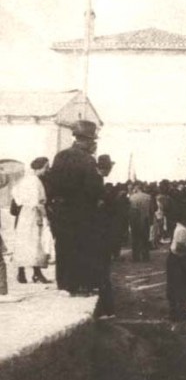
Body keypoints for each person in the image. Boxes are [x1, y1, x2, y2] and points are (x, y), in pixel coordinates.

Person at [48, 120, 104, 295]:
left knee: (63, 246)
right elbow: (94, 189)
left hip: (61, 211)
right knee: (82, 247)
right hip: (82, 211)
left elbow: (51, 184)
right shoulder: (88, 160)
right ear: (88, 140)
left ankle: (64, 284)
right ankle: (79, 284)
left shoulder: (60, 156)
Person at [12, 157, 53, 284]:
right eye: (46, 167)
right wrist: (45, 216)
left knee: (23, 242)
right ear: (39, 168)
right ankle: (37, 273)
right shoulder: (35, 181)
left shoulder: (24, 180)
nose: (47, 170)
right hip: (34, 214)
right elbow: (37, 202)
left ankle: (22, 273)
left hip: (24, 213)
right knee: (36, 243)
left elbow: (15, 193)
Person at [92, 155, 116, 319]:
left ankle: (105, 309)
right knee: (102, 273)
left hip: (99, 234)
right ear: (104, 168)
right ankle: (105, 309)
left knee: (101, 273)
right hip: (100, 235)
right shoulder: (96, 182)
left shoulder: (97, 180)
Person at [166, 207, 186, 322]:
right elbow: (179, 247)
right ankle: (179, 312)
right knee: (180, 286)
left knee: (176, 286)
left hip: (177, 258)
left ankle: (175, 311)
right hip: (179, 259)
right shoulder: (181, 230)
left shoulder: (181, 228)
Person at [129, 183, 153, 262]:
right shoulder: (148, 197)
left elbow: (131, 210)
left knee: (135, 238)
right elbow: (152, 209)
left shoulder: (132, 198)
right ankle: (145, 256)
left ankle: (136, 257)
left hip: (135, 220)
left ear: (136, 188)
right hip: (145, 219)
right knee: (145, 238)